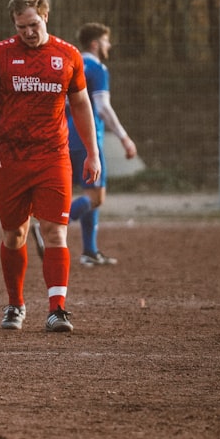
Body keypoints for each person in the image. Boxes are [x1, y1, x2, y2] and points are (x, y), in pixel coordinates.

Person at [0, 0, 101, 333]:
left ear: (46, 17)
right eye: (20, 26)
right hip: (9, 160)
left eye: (32, 24)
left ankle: (58, 309)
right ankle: (15, 305)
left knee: (55, 231)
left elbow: (82, 105)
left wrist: (92, 152)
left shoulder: (68, 55)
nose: (27, 32)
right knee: (14, 235)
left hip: (52, 156)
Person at [66, 22, 137, 266]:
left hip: (64, 136)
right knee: (97, 197)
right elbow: (103, 108)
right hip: (88, 138)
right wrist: (124, 137)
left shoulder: (69, 64)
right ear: (95, 44)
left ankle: (90, 250)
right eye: (106, 41)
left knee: (89, 193)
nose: (109, 45)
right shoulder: (97, 68)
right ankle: (52, 228)